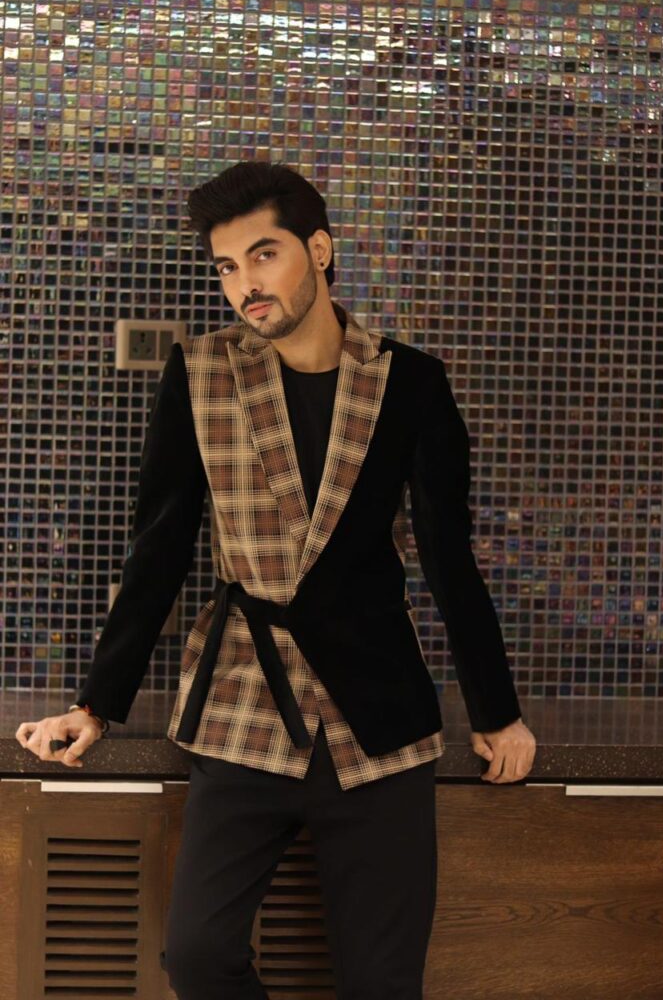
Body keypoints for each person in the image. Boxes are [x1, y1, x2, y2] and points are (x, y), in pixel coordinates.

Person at [16, 161, 536, 999]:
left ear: (319, 250)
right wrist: (95, 705)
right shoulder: (200, 372)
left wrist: (497, 712)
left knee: (382, 985)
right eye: (227, 267)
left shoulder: (411, 382)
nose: (245, 286)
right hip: (242, 707)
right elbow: (159, 551)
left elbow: (449, 557)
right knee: (198, 956)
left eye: (264, 255)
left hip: (379, 717)